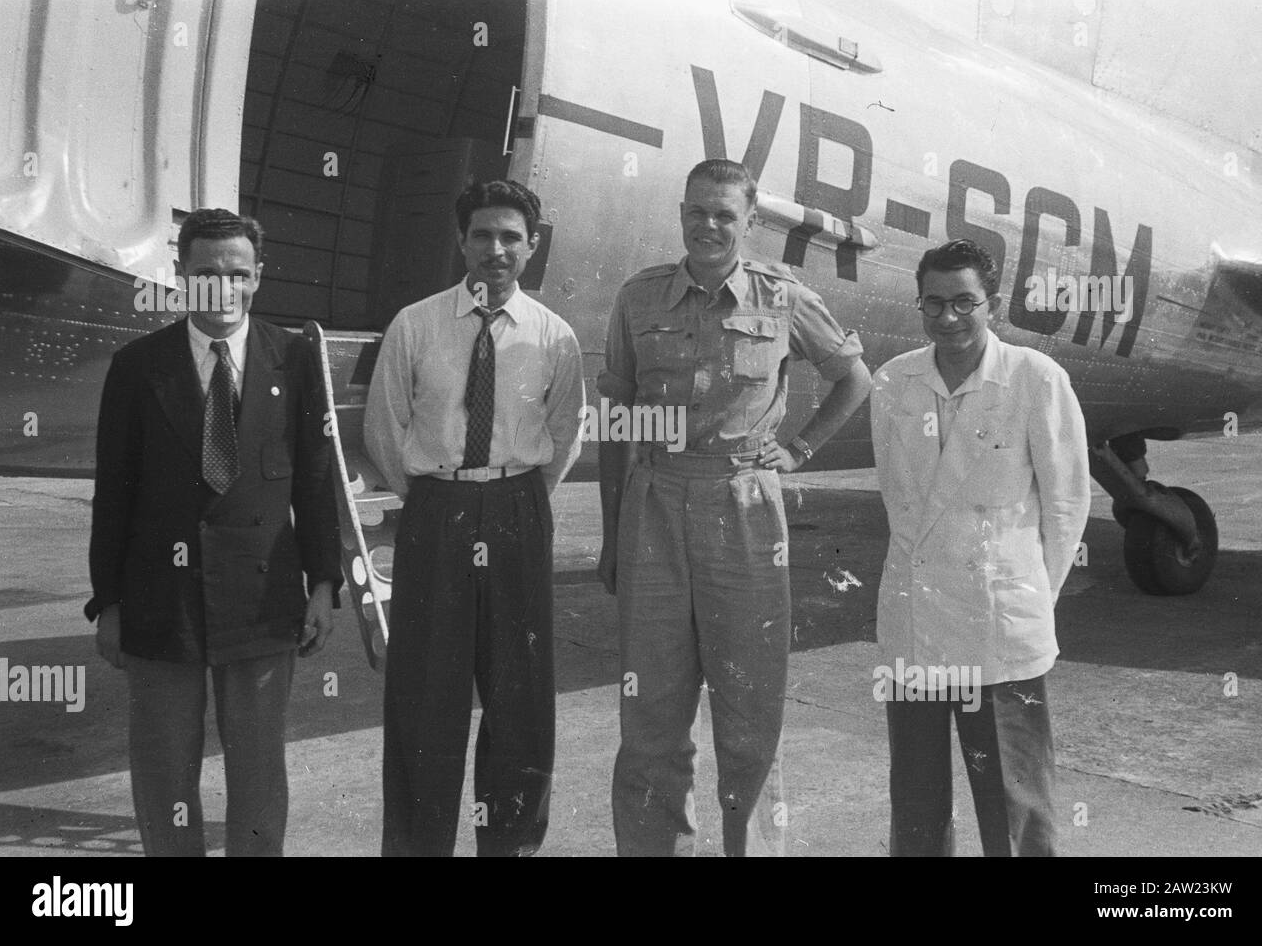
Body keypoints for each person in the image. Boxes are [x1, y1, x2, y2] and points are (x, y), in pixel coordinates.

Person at [597, 158, 873, 856]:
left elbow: (853, 377)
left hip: (745, 505)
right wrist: (612, 537)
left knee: (749, 712)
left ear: (750, 222)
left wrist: (802, 450)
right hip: (654, 504)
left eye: (725, 214)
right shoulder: (639, 299)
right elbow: (618, 420)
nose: (709, 225)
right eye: (697, 211)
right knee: (650, 715)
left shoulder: (781, 297)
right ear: (682, 213)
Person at [86, 207, 341, 856]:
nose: (221, 290)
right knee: (165, 771)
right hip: (159, 602)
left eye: (236, 275)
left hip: (260, 599)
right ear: (180, 276)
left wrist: (324, 584)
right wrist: (108, 603)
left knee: (258, 774)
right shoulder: (138, 366)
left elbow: (315, 482)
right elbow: (112, 495)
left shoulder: (294, 358)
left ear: (257, 278)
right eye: (205, 274)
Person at [364, 178, 584, 857]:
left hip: (518, 507)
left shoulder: (555, 337)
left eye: (511, 237)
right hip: (438, 512)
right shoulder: (415, 324)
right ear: (462, 241)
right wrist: (443, 494)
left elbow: (565, 436)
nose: (496, 248)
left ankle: (509, 847)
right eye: (483, 234)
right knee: (425, 697)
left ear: (532, 246)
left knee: (520, 699)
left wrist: (509, 494)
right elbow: (384, 428)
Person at [869, 238, 1091, 856]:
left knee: (1015, 809)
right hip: (915, 622)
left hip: (999, 629)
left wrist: (1023, 595)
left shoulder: (1035, 380)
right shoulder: (893, 382)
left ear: (990, 304)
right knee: (916, 802)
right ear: (919, 306)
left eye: (965, 303)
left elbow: (1067, 506)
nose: (948, 318)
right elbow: (901, 505)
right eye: (934, 303)